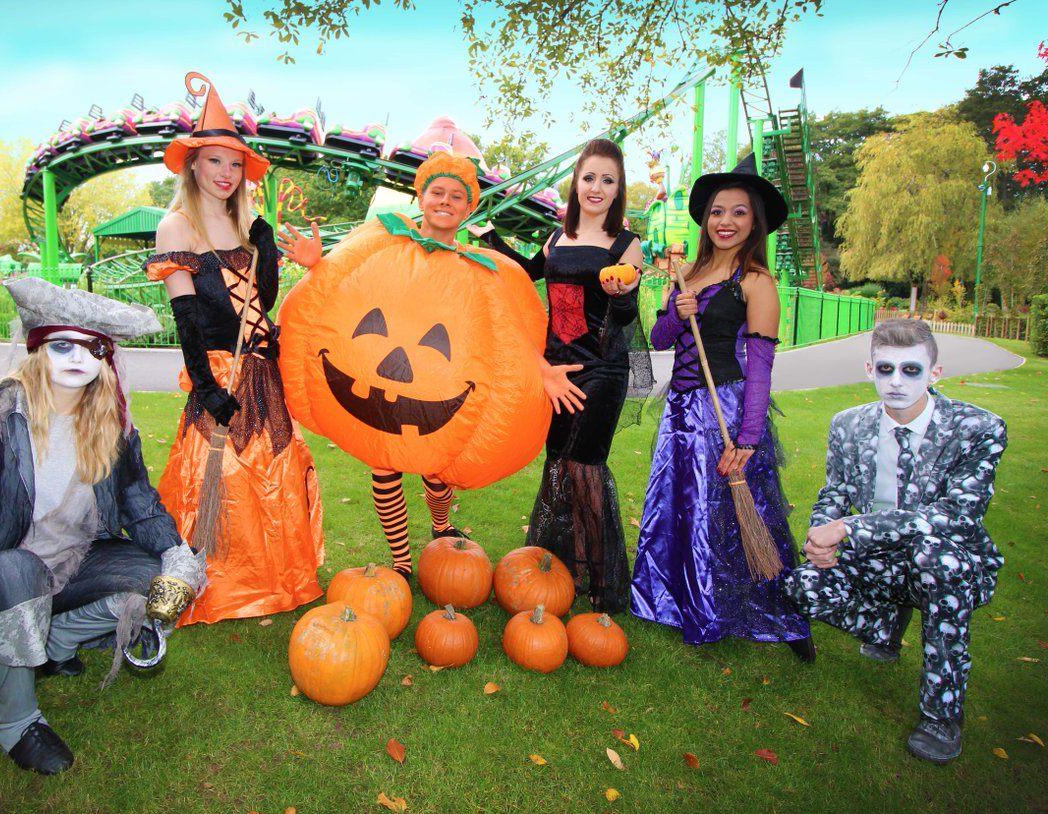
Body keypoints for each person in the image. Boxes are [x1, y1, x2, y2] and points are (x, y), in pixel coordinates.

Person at [0, 276, 194, 775]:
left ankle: (53, 641)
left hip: (72, 565)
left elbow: (140, 506)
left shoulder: (112, 425)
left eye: (93, 348)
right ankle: (17, 721)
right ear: (36, 347)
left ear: (107, 360)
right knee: (16, 571)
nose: (78, 357)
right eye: (62, 345)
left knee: (158, 577)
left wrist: (179, 557)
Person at [277, 150, 584, 579]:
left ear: (469, 207)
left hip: (438, 384)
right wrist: (317, 263)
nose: (445, 201)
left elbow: (506, 330)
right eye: (437, 192)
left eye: (456, 196)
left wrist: (541, 367)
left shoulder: (480, 270)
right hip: (371, 373)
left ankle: (440, 525)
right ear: (420, 197)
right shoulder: (383, 241)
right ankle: (402, 560)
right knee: (385, 463)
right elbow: (343, 286)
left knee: (437, 471)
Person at [144, 71, 324, 622]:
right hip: (220, 372)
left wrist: (269, 251)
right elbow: (187, 320)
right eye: (214, 161)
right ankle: (215, 584)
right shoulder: (177, 227)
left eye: (235, 164)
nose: (225, 173)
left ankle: (278, 582)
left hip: (264, 370)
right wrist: (205, 387)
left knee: (276, 472)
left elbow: (261, 303)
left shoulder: (245, 223)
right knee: (220, 479)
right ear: (193, 165)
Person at [786, 319, 1006, 764]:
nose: (896, 381)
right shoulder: (847, 425)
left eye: (911, 370)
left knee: (935, 561)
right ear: (870, 369)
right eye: (886, 369)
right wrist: (820, 536)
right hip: (874, 559)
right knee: (801, 586)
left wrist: (849, 529)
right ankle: (885, 625)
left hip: (945, 558)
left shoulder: (978, 428)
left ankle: (941, 716)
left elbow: (956, 516)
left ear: (934, 373)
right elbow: (835, 492)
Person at [629, 154, 813, 658]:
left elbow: (761, 367)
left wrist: (749, 438)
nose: (725, 221)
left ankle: (775, 612)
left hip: (725, 411)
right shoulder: (686, 272)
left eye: (738, 212)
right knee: (681, 505)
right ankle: (678, 601)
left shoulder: (755, 282)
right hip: (680, 412)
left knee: (737, 511)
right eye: (716, 211)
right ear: (705, 219)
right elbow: (661, 340)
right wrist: (676, 310)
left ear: (754, 222)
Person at [471, 138, 647, 612]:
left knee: (585, 465)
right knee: (559, 462)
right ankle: (563, 567)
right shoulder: (555, 237)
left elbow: (626, 316)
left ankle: (604, 584)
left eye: (607, 180)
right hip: (555, 369)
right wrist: (489, 237)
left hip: (602, 370)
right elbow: (524, 272)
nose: (596, 187)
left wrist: (622, 292)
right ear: (576, 182)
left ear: (618, 189)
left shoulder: (626, 244)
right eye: (589, 177)